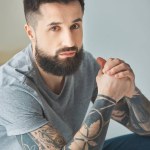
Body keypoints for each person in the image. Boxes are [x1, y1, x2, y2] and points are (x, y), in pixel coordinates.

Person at [0, 0, 150, 150]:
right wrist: (106, 98)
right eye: (55, 28)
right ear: (31, 33)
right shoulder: (11, 87)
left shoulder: (85, 65)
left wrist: (132, 92)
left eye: (75, 26)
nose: (70, 41)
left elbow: (146, 129)